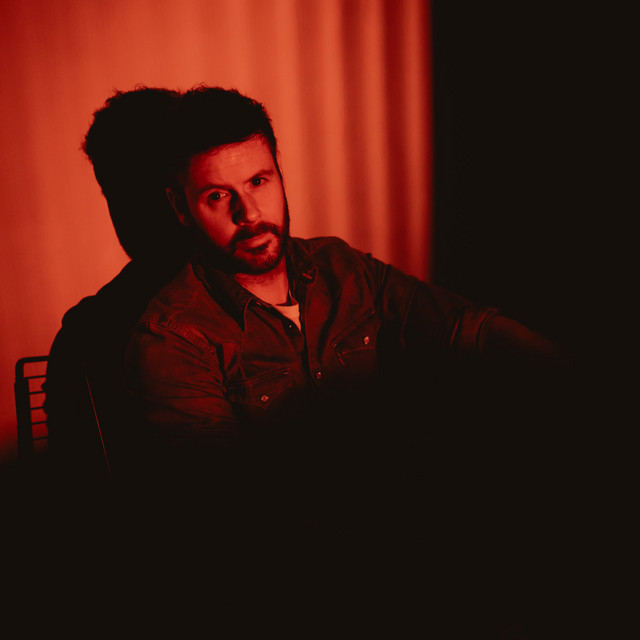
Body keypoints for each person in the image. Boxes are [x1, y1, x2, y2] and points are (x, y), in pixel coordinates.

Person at [122, 86, 571, 534]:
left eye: (258, 181)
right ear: (181, 208)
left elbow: (465, 325)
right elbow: (224, 495)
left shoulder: (338, 266)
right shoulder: (171, 336)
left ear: (279, 176)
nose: (249, 213)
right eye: (218, 196)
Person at [43, 87, 193, 487]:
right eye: (120, 193)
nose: (138, 211)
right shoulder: (87, 333)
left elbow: (71, 485)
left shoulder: (84, 331)